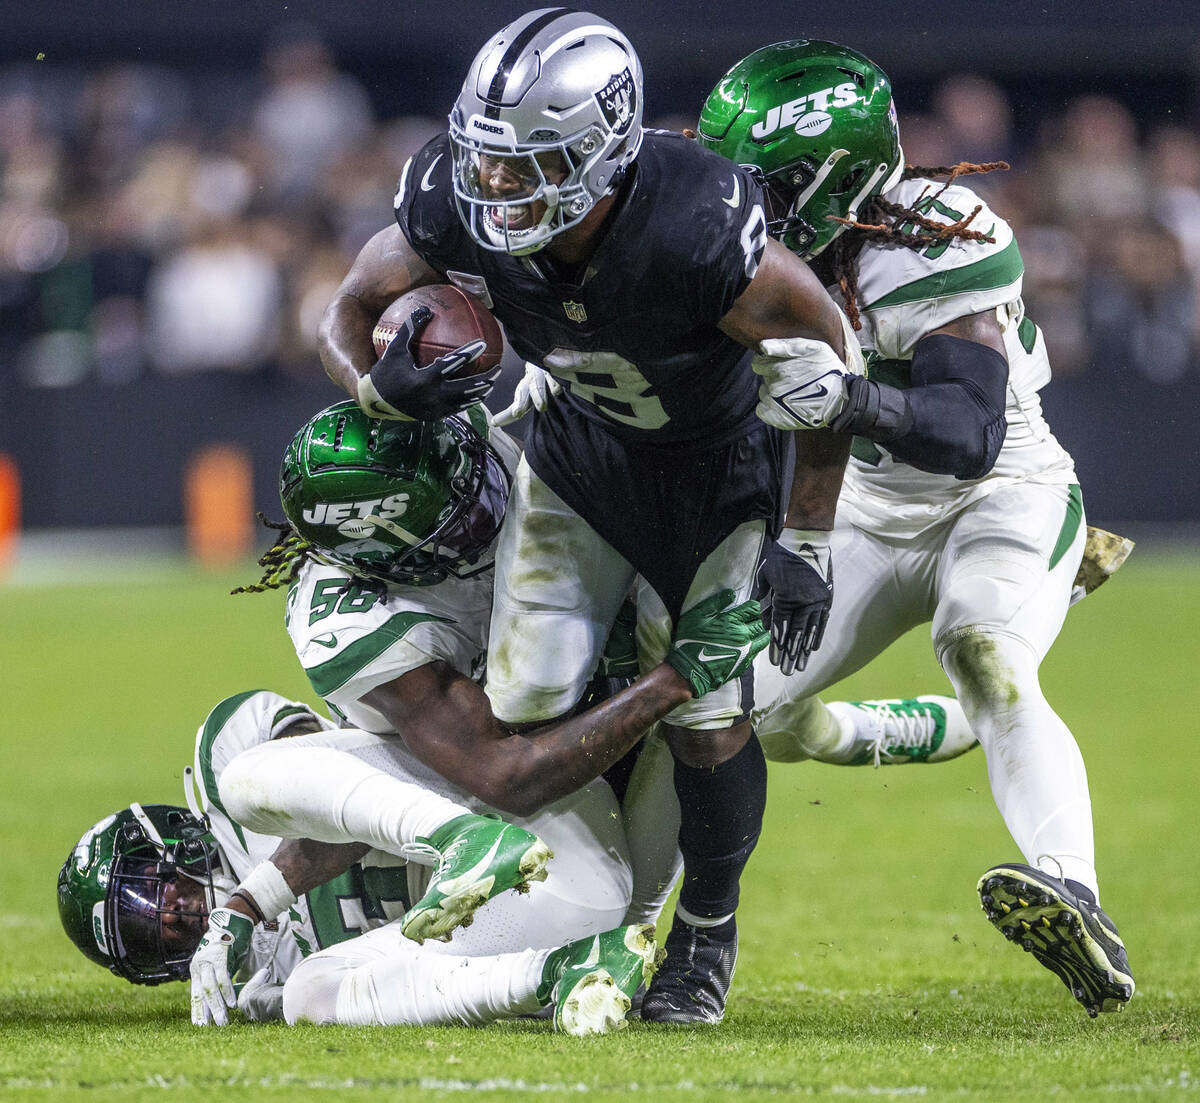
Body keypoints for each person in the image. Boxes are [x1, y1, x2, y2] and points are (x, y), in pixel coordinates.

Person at [317, 9, 863, 1024]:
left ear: (604, 152)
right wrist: (380, 394)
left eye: (526, 167)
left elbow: (831, 357)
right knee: (525, 703)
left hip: (716, 477)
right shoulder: (454, 196)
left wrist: (811, 536)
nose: (493, 187)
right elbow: (344, 308)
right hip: (579, 458)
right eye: (487, 161)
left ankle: (704, 928)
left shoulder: (697, 222)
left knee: (707, 720)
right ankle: (577, 907)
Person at [697, 39, 1134, 1017]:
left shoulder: (941, 234)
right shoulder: (779, 245)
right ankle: (920, 730)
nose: (746, 204)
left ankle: (1076, 893)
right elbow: (809, 411)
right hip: (864, 506)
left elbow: (966, 433)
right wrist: (802, 540)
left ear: (833, 177)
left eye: (767, 182)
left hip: (1000, 493)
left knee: (983, 652)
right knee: (740, 708)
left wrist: (852, 400)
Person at [55, 693, 659, 1035]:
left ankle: (462, 839)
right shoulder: (257, 987)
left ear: (167, 838)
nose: (167, 920)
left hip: (521, 800)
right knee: (309, 995)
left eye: (150, 892)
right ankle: (562, 973)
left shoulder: (224, 756)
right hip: (571, 900)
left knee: (248, 780)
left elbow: (350, 793)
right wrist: (262, 987)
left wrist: (251, 901)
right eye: (143, 935)